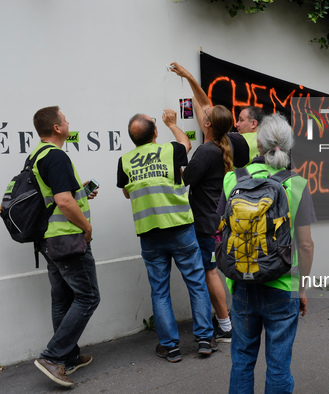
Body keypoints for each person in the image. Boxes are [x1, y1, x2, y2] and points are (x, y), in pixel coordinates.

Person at [218, 113, 316, 393]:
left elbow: (222, 232)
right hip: (283, 286)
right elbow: (306, 245)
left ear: (257, 145)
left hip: (242, 284)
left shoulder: (231, 180)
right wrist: (302, 288)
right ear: (288, 146)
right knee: (278, 365)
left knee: (242, 360)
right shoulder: (296, 185)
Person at [116, 109, 217, 362]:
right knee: (196, 282)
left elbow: (128, 193)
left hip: (150, 234)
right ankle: (205, 339)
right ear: (155, 133)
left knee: (159, 291)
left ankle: (170, 347)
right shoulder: (171, 151)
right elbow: (187, 143)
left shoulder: (124, 161)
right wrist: (172, 123)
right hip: (180, 227)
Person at [169, 62, 248, 343]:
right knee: (226, 268)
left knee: (210, 271)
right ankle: (237, 316)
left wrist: (177, 145)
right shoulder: (235, 142)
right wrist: (189, 76)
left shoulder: (205, 151)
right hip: (229, 217)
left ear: (207, 125)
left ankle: (225, 325)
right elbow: (206, 105)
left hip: (207, 222)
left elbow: (185, 177)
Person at [31, 106, 101, 388]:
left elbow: (57, 197)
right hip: (69, 238)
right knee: (88, 297)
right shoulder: (57, 156)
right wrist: (86, 227)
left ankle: (68, 357)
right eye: (65, 119)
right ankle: (52, 356)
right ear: (57, 128)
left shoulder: (37, 155)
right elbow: (63, 202)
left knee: (62, 298)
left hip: (49, 238)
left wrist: (80, 192)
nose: (68, 121)